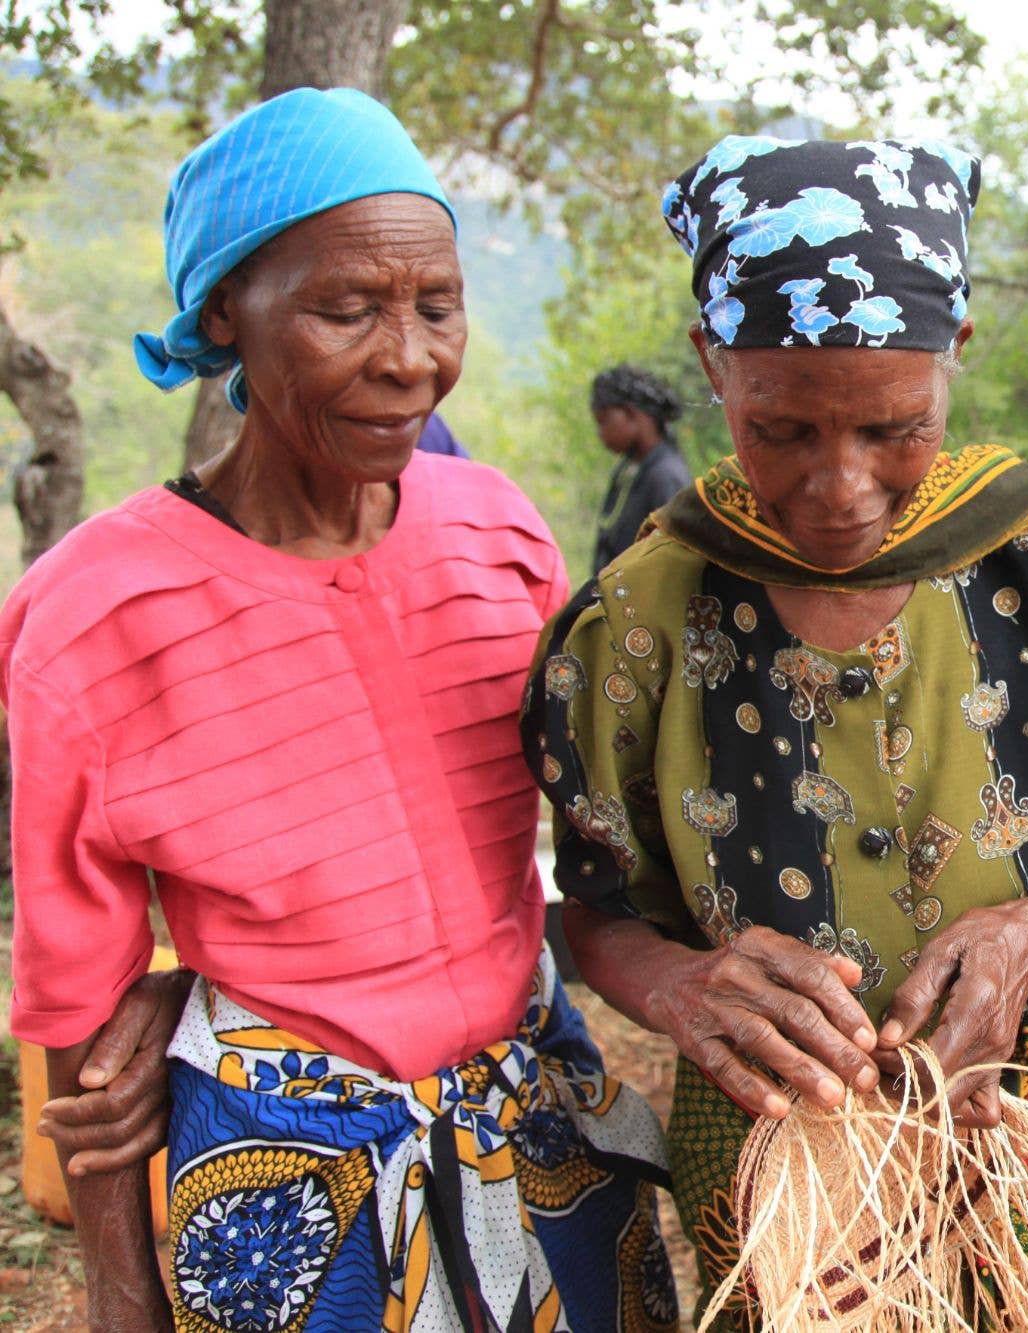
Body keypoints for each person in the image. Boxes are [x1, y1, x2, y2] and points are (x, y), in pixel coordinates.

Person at [6, 88, 675, 1331]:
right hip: (284, 1177)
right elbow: (76, 1000)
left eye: (434, 304)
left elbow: (601, 832)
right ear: (224, 314)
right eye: (344, 309)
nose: (408, 357)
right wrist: (116, 1287)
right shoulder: (99, 611)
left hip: (537, 1134)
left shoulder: (497, 532)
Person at [525, 134, 1028, 1329]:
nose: (842, 488)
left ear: (955, 360)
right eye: (782, 431)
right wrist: (681, 984)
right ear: (711, 366)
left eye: (894, 427)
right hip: (779, 1144)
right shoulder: (639, 619)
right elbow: (596, 905)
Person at [590, 363, 691, 570]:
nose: (600, 433)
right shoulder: (626, 471)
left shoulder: (667, 476)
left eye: (603, 421)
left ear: (631, 414)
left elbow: (675, 560)